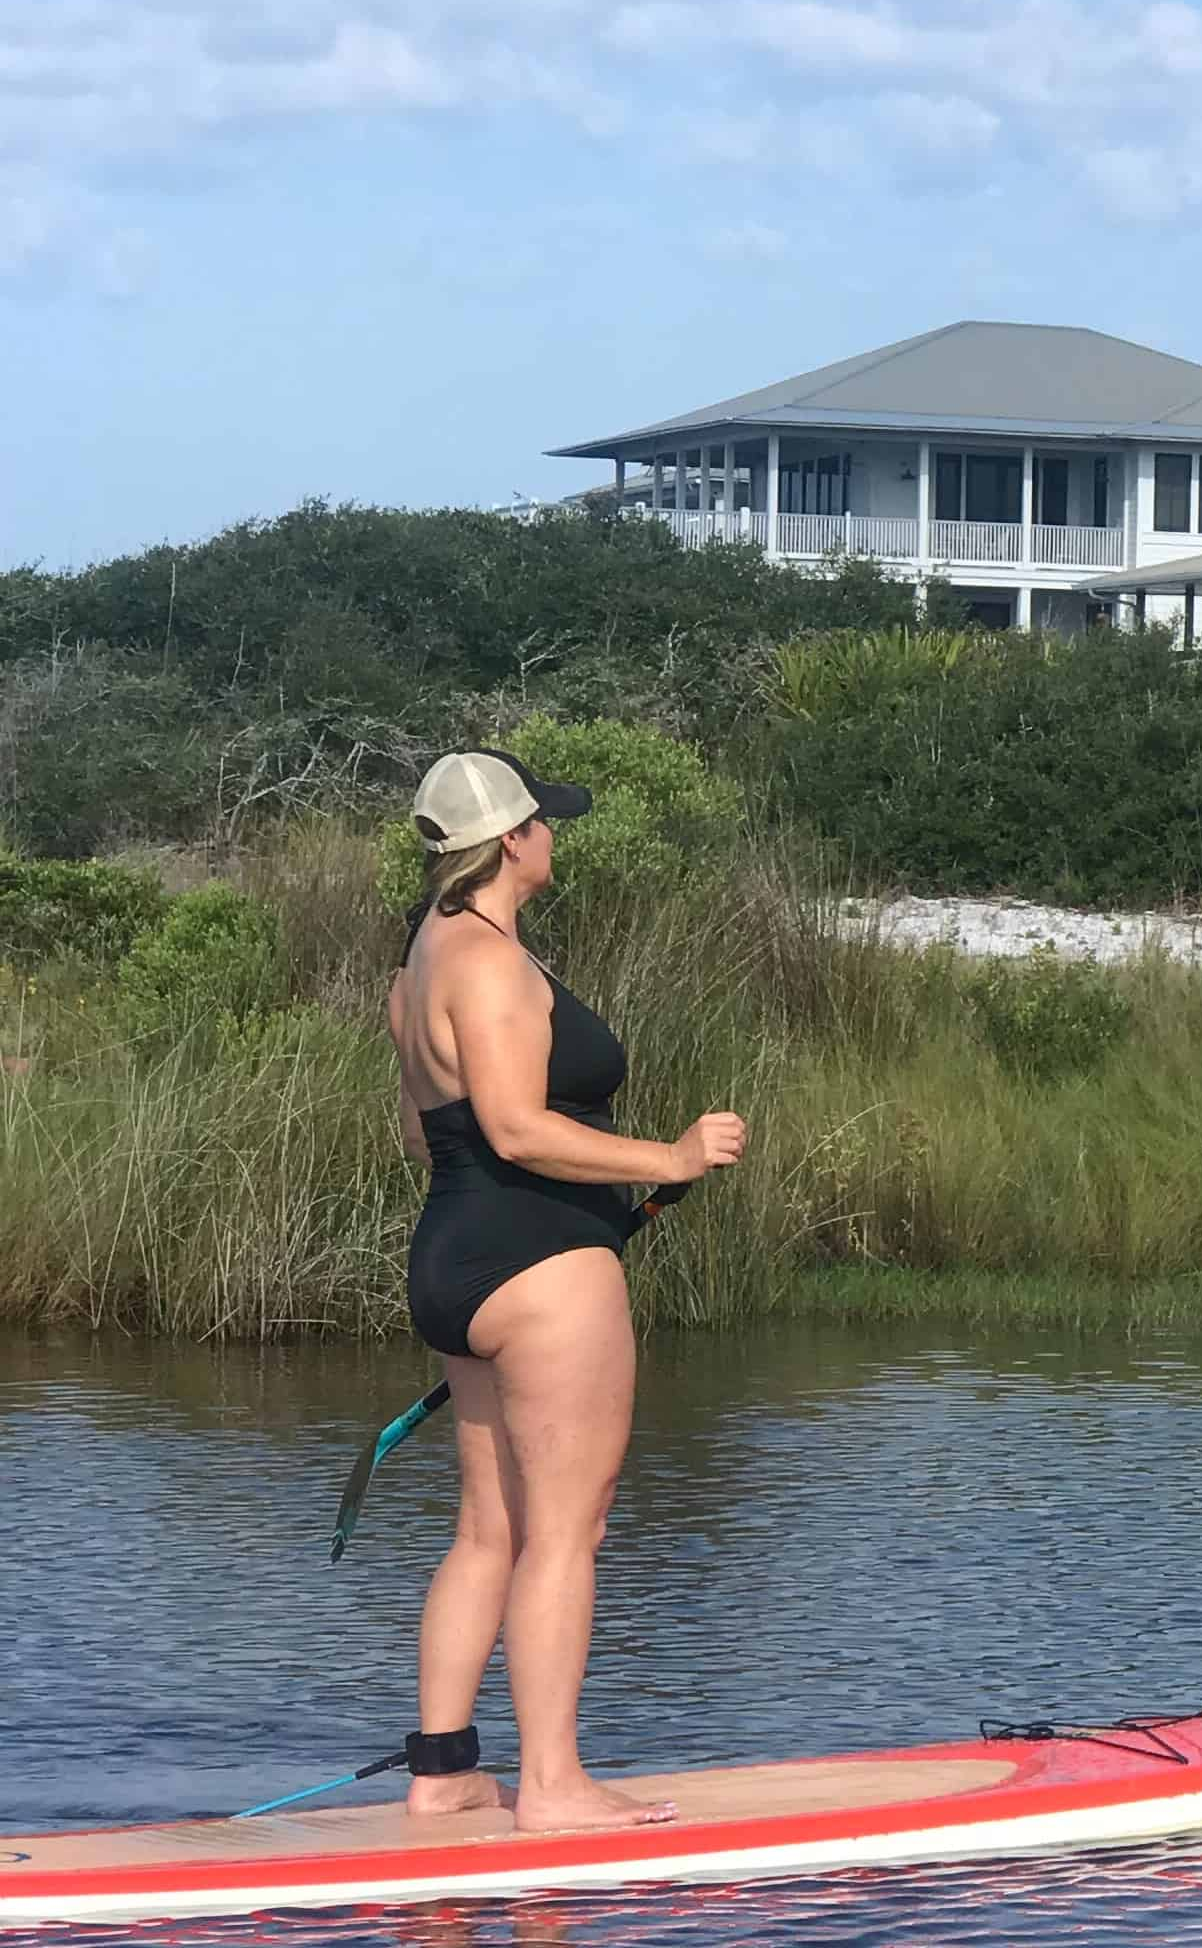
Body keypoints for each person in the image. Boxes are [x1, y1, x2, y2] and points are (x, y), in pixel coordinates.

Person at [384, 749, 745, 1832]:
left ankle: (445, 1772)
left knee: (488, 1529)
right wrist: (667, 1161)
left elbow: (423, 1132)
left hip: (454, 1258)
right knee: (566, 1534)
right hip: (537, 1275)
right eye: (546, 822)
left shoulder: (418, 961)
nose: (556, 837)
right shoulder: (488, 963)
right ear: (511, 842)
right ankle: (553, 1788)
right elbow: (513, 1128)